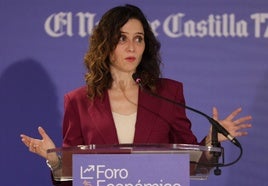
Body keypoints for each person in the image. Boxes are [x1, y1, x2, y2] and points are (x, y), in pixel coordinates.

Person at [20, 4, 252, 186]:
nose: (131, 47)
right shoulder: (78, 101)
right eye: (122, 38)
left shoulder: (168, 93)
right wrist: (54, 160)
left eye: (138, 38)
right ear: (105, 44)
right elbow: (72, 178)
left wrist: (211, 139)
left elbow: (190, 165)